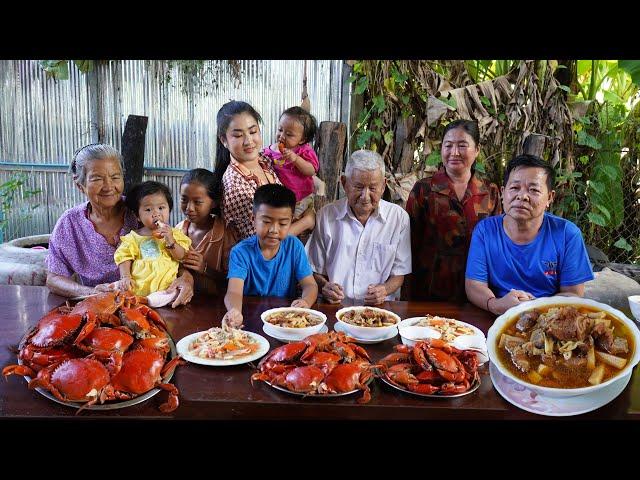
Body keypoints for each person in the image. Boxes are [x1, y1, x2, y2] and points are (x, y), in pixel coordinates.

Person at [45, 143, 194, 307]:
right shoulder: (70, 224)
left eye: (115, 177)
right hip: (99, 306)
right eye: (97, 178)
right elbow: (54, 279)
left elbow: (170, 256)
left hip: (149, 304)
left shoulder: (142, 211)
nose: (109, 186)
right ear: (79, 185)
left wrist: (187, 278)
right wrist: (90, 292)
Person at [465, 154, 595, 315]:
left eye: (533, 189)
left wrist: (537, 307)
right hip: (497, 315)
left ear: (550, 197)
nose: (522, 196)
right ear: (503, 193)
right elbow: (474, 285)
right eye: (514, 188)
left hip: (549, 318)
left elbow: (573, 294)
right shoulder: (485, 231)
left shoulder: (567, 234)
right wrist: (496, 304)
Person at [405, 119, 501, 302]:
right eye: (448, 145)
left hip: (477, 292)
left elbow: (496, 246)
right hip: (429, 292)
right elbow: (409, 244)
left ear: (477, 150)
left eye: (462, 145)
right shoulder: (424, 190)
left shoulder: (490, 192)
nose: (454, 153)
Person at [305, 149, 411, 305]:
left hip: (380, 309)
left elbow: (399, 274)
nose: (365, 196)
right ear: (344, 183)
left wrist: (384, 289)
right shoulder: (326, 216)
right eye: (358, 187)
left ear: (383, 186)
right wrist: (325, 286)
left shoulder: (398, 218)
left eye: (373, 188)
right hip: (335, 307)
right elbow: (314, 269)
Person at [212, 100, 314, 242]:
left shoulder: (265, 160)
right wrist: (307, 221)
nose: (249, 141)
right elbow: (263, 241)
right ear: (224, 140)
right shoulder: (235, 186)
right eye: (238, 135)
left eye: (253, 131)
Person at [222, 184, 318, 328]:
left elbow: (310, 285)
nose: (274, 230)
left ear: (291, 221)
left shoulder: (294, 247)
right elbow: (234, 292)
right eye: (266, 222)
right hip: (249, 320)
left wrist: (305, 302)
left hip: (285, 322)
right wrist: (235, 311)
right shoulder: (241, 252)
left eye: (283, 223)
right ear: (253, 218)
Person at [109, 181, 191, 300]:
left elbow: (181, 256)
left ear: (169, 209)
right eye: (148, 210)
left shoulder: (175, 234)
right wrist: (125, 277)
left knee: (171, 295)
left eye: (161, 208)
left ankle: (150, 301)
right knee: (121, 291)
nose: (156, 213)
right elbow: (124, 257)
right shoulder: (133, 238)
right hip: (139, 288)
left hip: (167, 289)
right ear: (137, 215)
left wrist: (170, 240)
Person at [176, 168, 238, 295]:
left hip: (216, 307)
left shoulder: (225, 234)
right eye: (184, 200)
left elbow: (234, 281)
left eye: (197, 202)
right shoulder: (177, 231)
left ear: (214, 203)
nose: (189, 208)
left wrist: (205, 268)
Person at [262, 106, 319, 221]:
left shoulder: (303, 151)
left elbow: (311, 170)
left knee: (290, 220)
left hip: (300, 198)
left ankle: (305, 222)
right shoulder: (271, 150)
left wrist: (296, 159)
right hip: (281, 198)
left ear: (302, 139)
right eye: (280, 130)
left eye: (289, 134)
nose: (282, 136)